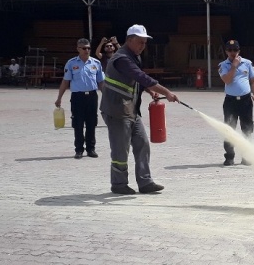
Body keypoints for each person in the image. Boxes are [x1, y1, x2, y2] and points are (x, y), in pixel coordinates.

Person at [100, 24, 179, 195]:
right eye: (139, 42)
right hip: (116, 110)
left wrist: (150, 90)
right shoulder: (122, 58)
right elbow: (140, 76)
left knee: (142, 143)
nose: (142, 46)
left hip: (130, 109)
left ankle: (145, 182)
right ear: (129, 40)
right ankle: (119, 184)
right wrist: (167, 92)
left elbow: (136, 81)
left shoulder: (133, 55)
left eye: (144, 43)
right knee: (121, 149)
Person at [54, 38, 105, 159]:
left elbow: (101, 82)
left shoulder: (96, 63)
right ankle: (79, 149)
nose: (87, 50)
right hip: (77, 97)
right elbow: (65, 81)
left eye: (88, 48)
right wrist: (59, 98)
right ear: (78, 49)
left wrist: (107, 96)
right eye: (84, 48)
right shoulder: (71, 63)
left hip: (92, 96)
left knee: (92, 123)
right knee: (78, 123)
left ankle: (91, 149)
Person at [218, 39, 254, 166]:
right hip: (231, 101)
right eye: (230, 50)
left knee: (247, 129)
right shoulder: (223, 65)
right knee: (229, 129)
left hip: (246, 101)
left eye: (235, 50)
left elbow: (253, 80)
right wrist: (234, 66)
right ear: (226, 52)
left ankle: (246, 156)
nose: (232, 52)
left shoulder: (248, 63)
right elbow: (227, 80)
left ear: (239, 51)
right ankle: (229, 156)